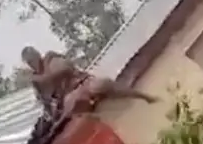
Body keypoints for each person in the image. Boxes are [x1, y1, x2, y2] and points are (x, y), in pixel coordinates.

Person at [21, 46, 156, 118]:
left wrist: (46, 78)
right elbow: (45, 102)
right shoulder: (36, 81)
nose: (33, 62)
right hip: (68, 98)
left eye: (33, 57)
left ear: (38, 54)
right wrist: (52, 113)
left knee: (101, 85)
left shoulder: (50, 59)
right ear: (28, 64)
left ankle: (144, 96)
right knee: (71, 107)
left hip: (82, 83)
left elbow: (67, 67)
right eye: (30, 61)